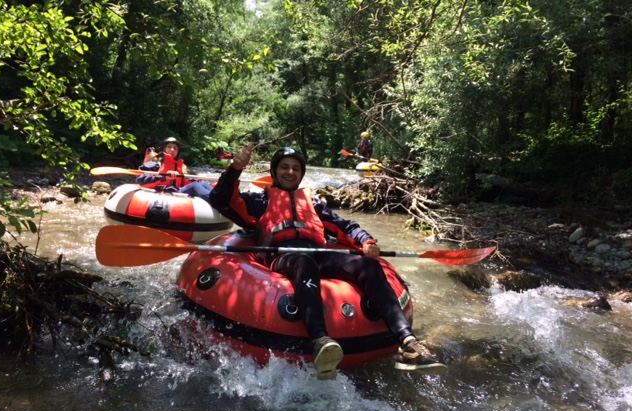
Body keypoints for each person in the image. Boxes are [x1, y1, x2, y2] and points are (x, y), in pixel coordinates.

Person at [208, 145, 447, 380]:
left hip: (319, 253)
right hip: (285, 258)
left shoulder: (312, 203)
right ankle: (321, 340)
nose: (290, 172)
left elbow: (344, 227)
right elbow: (220, 199)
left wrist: (365, 240)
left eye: (295, 168)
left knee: (368, 265)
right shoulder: (259, 202)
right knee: (304, 263)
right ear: (274, 172)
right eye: (284, 167)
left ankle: (408, 343)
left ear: (301, 174)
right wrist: (235, 168)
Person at [136, 136, 213, 198]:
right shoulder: (155, 163)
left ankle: (218, 196)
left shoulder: (180, 166)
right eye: (169, 147)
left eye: (175, 148)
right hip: (162, 191)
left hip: (176, 191)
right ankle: (216, 201)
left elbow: (186, 180)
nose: (172, 149)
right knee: (195, 186)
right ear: (164, 149)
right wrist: (164, 177)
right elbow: (141, 180)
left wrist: (209, 184)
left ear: (178, 152)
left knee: (203, 184)